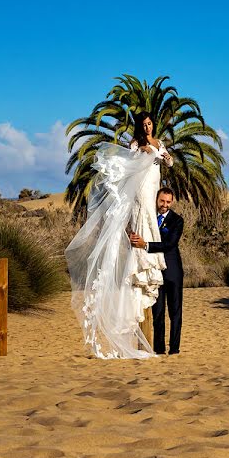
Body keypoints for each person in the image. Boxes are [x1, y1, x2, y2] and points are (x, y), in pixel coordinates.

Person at [64, 113, 173, 359]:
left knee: (150, 213)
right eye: (143, 124)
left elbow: (170, 164)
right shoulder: (136, 144)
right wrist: (141, 154)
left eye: (149, 123)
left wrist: (166, 157)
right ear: (139, 126)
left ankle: (150, 254)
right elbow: (128, 165)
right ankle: (143, 257)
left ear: (153, 125)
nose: (147, 126)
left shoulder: (158, 143)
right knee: (143, 212)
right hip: (142, 187)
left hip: (154, 185)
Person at [128, 187, 184, 354]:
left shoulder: (177, 220)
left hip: (173, 272)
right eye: (162, 201)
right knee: (158, 312)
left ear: (172, 202)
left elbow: (169, 244)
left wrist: (145, 245)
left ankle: (174, 349)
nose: (164, 205)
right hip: (155, 273)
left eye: (168, 202)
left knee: (175, 312)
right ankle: (159, 350)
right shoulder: (149, 219)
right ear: (156, 199)